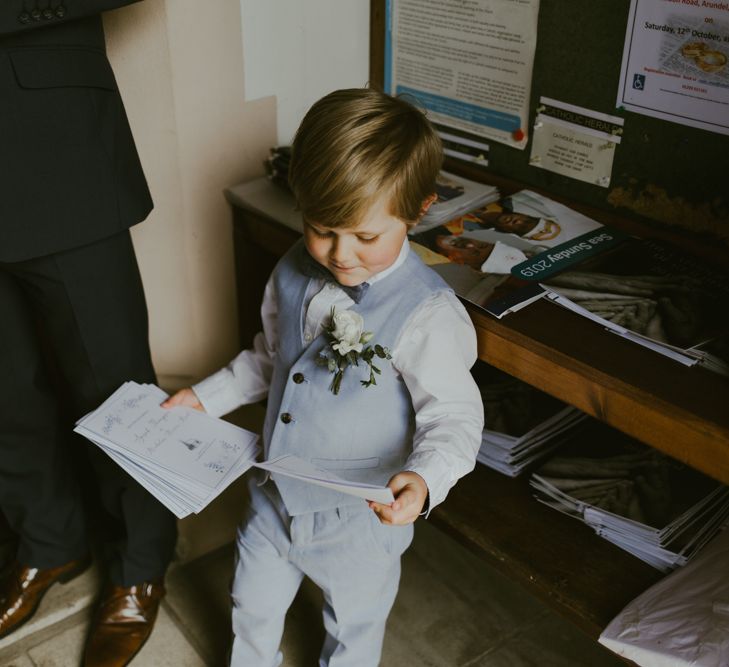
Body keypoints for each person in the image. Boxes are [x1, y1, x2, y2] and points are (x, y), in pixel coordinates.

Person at [163, 88, 485, 666]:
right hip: (273, 491)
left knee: (354, 627)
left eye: (366, 237)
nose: (340, 254)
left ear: (418, 209)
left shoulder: (428, 314)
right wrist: (204, 399)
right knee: (251, 603)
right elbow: (270, 358)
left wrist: (425, 478)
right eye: (321, 227)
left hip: (360, 514)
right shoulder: (290, 269)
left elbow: (455, 416)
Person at [0, 3, 177, 664]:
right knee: (4, 388)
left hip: (54, 144)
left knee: (113, 385)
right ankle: (47, 540)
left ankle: (139, 560)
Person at [474, 209, 562, 241]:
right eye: (527, 221)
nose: (518, 222)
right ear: (525, 215)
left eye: (521, 227)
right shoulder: (504, 195)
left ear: (508, 231)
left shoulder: (470, 229)